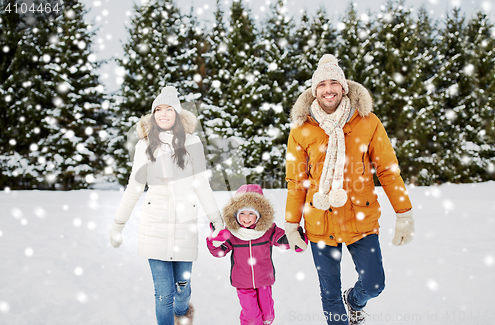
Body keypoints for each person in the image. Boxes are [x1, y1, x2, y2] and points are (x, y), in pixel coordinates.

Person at [283, 54, 415, 325]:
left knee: (375, 284)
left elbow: (388, 171)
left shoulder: (368, 122)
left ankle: (354, 300)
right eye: (321, 84)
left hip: (361, 218)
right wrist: (291, 223)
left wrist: (404, 213)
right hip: (320, 219)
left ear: (344, 87)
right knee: (329, 295)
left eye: (334, 83)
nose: (328, 89)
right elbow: (296, 181)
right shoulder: (301, 129)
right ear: (314, 90)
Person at [109, 86, 224, 325]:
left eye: (168, 109)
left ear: (177, 114)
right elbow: (134, 187)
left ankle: (182, 311)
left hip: (185, 226)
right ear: (152, 114)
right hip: (155, 226)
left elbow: (202, 185)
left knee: (182, 288)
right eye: (158, 110)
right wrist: (118, 224)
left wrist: (217, 220)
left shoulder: (193, 143)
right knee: (163, 294)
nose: (162, 114)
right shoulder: (144, 145)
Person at [206, 184, 306, 325]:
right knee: (252, 317)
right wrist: (214, 241)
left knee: (268, 316)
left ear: (259, 214)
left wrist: (296, 239)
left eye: (251, 213)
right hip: (242, 283)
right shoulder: (233, 233)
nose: (246, 218)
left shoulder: (268, 230)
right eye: (242, 213)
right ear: (235, 214)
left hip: (264, 280)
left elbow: (282, 239)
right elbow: (219, 252)